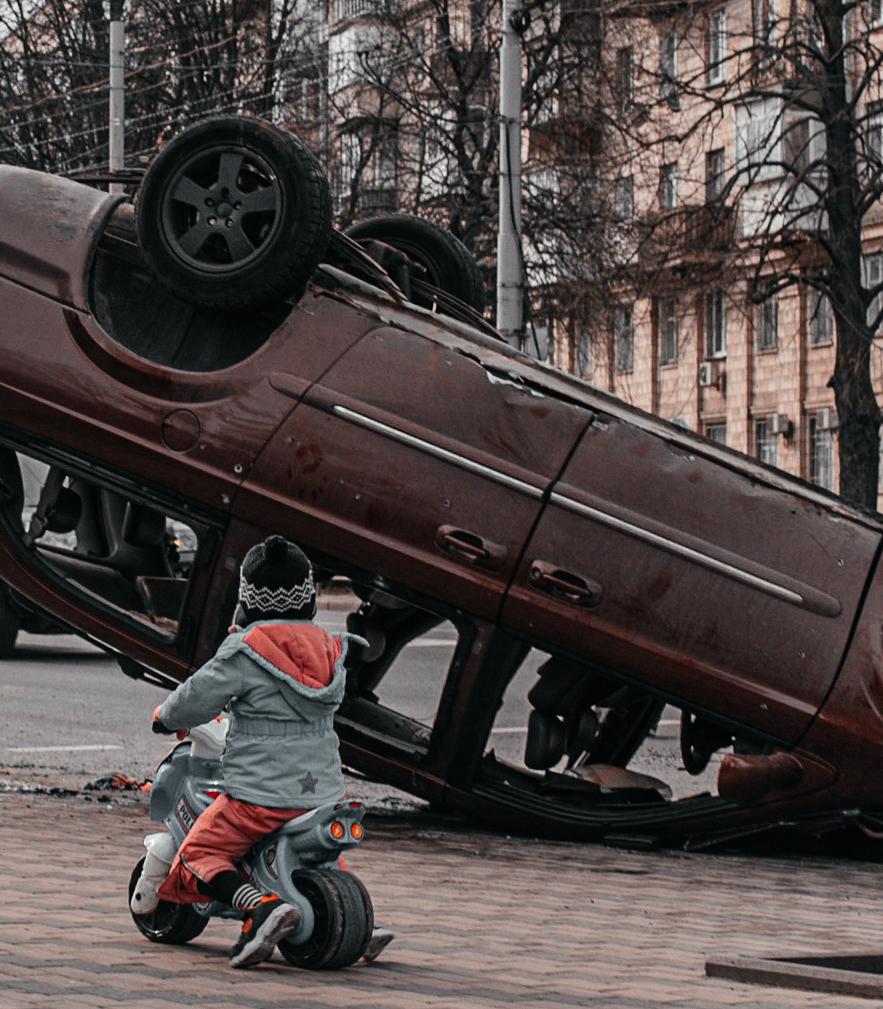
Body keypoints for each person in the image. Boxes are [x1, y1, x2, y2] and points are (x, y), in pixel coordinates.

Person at [132, 535, 390, 968]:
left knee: (198, 854)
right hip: (322, 794)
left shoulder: (246, 651)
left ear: (246, 601)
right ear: (309, 597)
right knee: (319, 847)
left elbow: (196, 696)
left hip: (259, 795)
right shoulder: (329, 649)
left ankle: (260, 907)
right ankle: (355, 923)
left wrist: (166, 715)